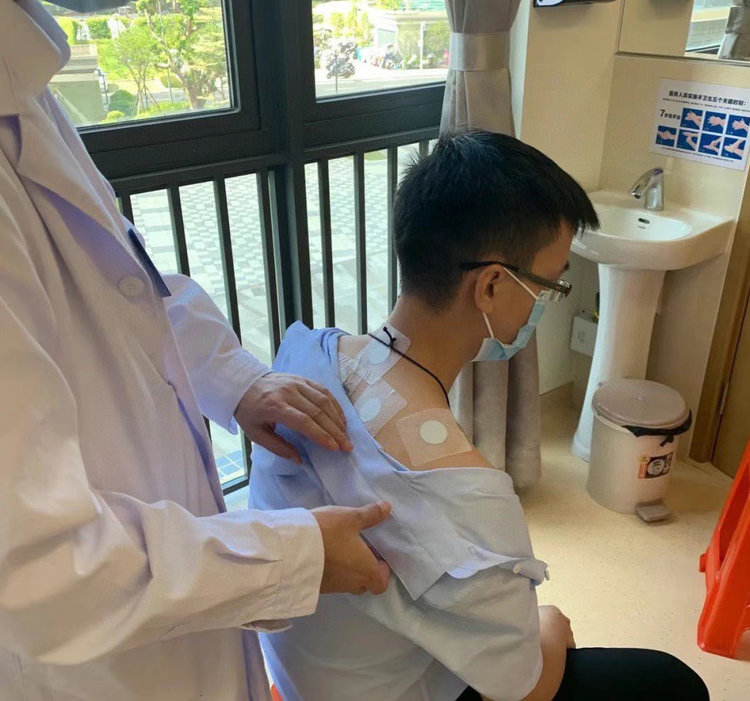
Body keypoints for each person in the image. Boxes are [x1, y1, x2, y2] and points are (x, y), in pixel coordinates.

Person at [0, 1, 392, 699]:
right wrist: (293, 557)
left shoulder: (24, 83)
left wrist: (235, 379)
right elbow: (40, 570)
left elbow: (127, 282)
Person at [249, 132, 710, 701]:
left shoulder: (304, 360)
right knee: (672, 683)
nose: (545, 302)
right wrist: (549, 625)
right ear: (491, 285)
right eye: (550, 285)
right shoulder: (464, 493)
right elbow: (525, 685)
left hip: (309, 677)